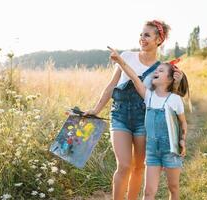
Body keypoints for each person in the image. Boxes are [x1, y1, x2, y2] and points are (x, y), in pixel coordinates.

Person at [84, 20, 183, 200]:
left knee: (139, 167)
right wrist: (96, 109)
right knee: (124, 165)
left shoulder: (161, 68)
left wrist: (176, 81)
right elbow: (111, 86)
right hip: (119, 115)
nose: (142, 38)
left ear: (159, 40)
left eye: (147, 35)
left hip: (143, 120)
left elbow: (164, 97)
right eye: (141, 34)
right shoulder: (127, 56)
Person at [108, 46, 189, 200]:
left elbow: (182, 123)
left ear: (170, 79)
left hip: (171, 150)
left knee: (173, 187)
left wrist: (182, 141)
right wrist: (120, 61)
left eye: (160, 71)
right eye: (156, 70)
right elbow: (133, 77)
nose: (155, 72)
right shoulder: (148, 96)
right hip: (152, 152)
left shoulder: (175, 99)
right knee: (148, 192)